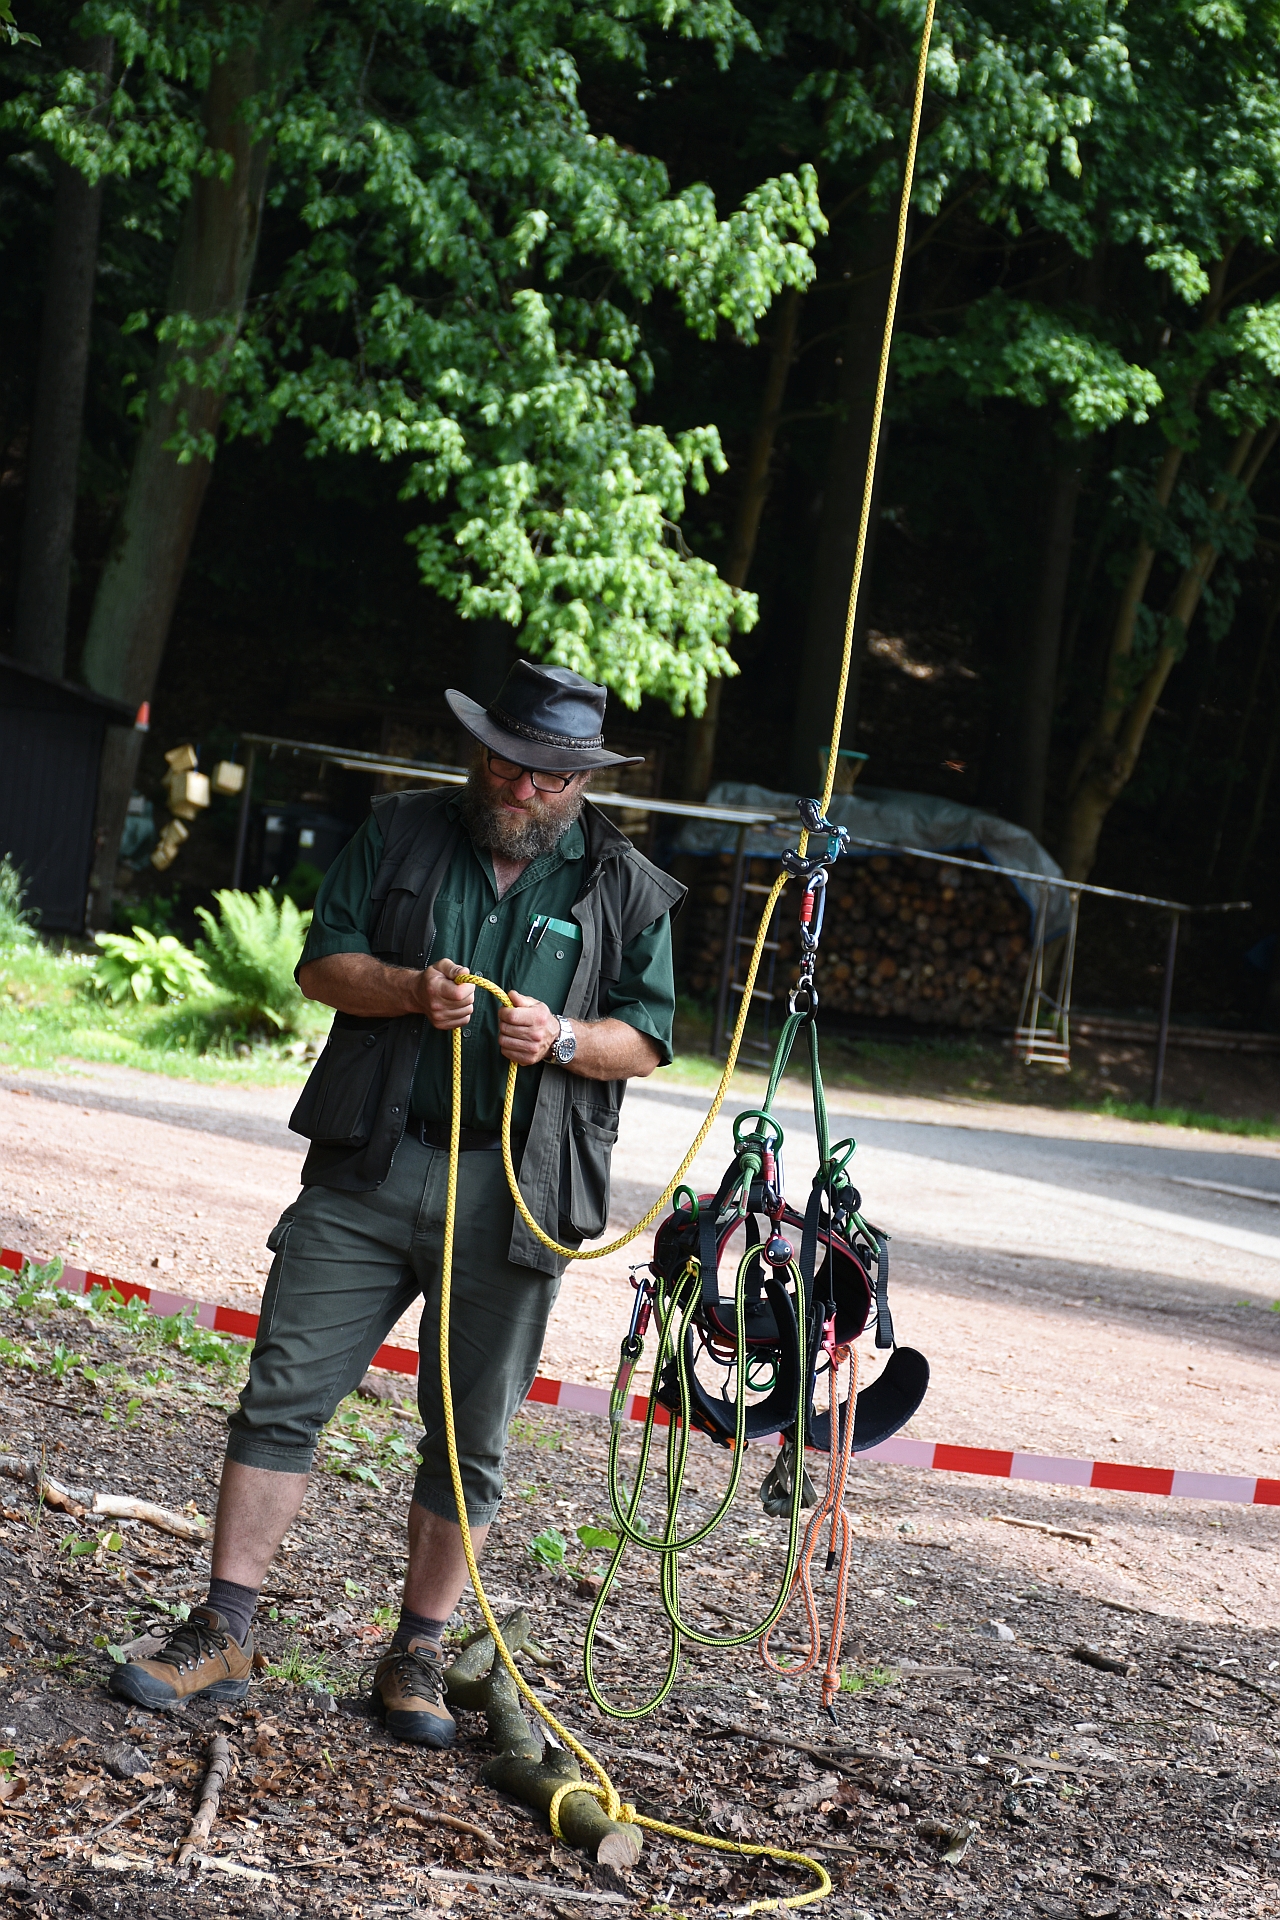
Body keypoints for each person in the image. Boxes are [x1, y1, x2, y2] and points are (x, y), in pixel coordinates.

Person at [111, 660, 684, 1746]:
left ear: (582, 781)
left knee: (469, 1440)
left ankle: (416, 1653)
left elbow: (646, 1039)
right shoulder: (400, 831)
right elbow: (322, 967)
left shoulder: (627, 885)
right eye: (507, 765)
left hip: (515, 1190)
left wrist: (563, 1038)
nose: (522, 789)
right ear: (481, 751)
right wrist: (409, 990)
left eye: (548, 778)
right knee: (281, 1394)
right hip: (370, 1164)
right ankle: (223, 1632)